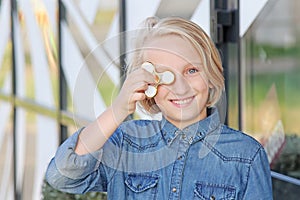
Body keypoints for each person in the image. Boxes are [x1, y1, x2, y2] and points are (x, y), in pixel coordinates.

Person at [46, 16, 273, 199]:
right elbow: (63, 175)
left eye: (191, 70)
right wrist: (118, 110)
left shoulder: (246, 155)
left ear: (211, 74)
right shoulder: (125, 143)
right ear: (148, 85)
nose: (180, 87)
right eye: (165, 75)